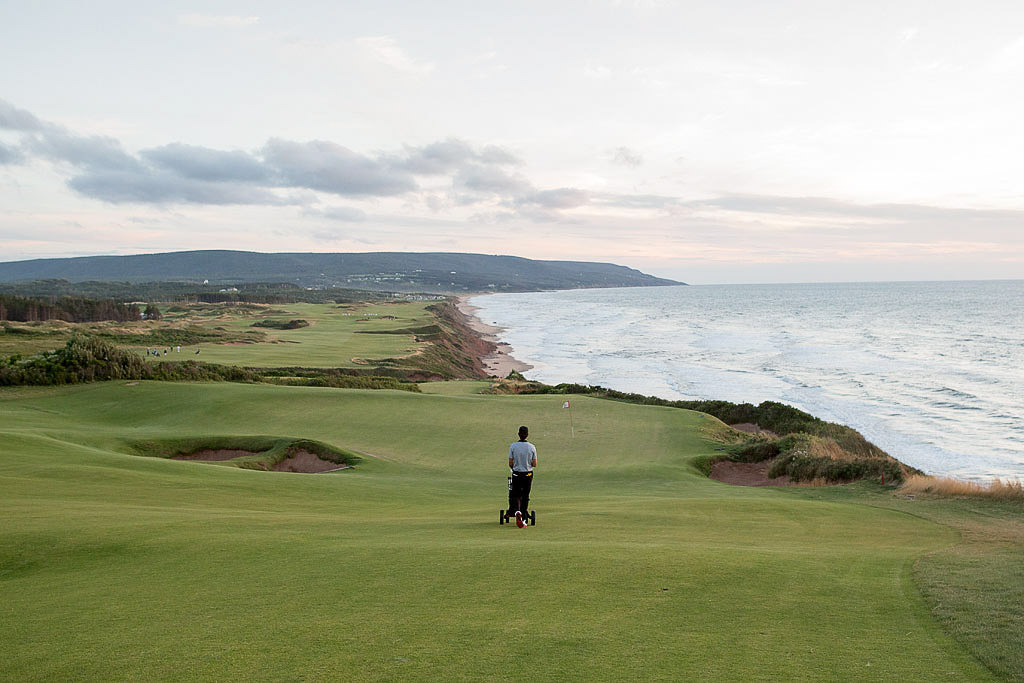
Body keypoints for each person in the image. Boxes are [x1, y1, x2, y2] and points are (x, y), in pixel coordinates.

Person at [507, 425, 537, 528]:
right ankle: (524, 518)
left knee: (516, 494)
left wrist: (516, 465)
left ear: (518, 434)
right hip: (527, 474)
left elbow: (510, 463)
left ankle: (517, 511)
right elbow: (534, 464)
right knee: (525, 496)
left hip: (516, 474)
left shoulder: (513, 446)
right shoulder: (532, 447)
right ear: (527, 434)